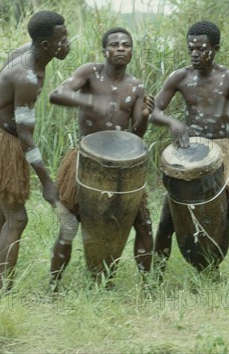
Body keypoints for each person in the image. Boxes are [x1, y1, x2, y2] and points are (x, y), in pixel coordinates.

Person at [0, 11, 71, 291]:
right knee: (17, 217)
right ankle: (4, 291)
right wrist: (47, 182)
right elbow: (25, 134)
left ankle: (1, 284)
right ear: (46, 45)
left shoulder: (30, 51)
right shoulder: (27, 77)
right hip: (2, 142)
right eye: (63, 40)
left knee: (3, 215)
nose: (68, 44)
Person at [47, 27, 154, 287]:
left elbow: (136, 134)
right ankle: (53, 285)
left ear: (131, 51)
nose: (120, 48)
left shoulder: (136, 86)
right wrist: (91, 102)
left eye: (126, 45)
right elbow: (56, 95)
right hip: (86, 158)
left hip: (122, 165)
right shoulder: (89, 73)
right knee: (70, 224)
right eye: (115, 44)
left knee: (143, 223)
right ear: (105, 50)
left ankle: (147, 285)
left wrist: (145, 116)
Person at [150, 21, 229, 270]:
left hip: (222, 153)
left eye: (201, 49)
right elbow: (153, 110)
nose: (195, 54)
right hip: (187, 153)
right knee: (167, 221)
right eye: (191, 49)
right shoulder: (180, 77)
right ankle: (153, 281)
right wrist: (172, 122)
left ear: (216, 48)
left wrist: (226, 108)